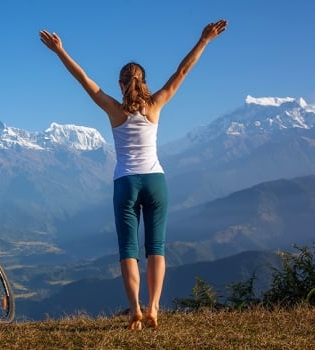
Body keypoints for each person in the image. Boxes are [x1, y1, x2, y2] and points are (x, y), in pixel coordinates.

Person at [40, 19, 227, 330]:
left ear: (120, 84)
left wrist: (60, 51)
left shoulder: (115, 110)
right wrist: (204, 40)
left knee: (128, 249)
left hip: (125, 183)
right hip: (156, 181)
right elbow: (182, 71)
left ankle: (134, 310)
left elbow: (84, 79)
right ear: (144, 81)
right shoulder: (156, 105)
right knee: (157, 248)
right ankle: (153, 307)